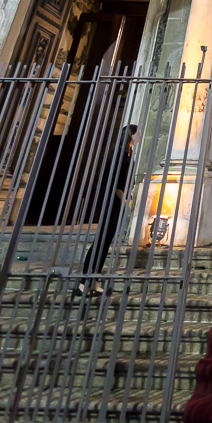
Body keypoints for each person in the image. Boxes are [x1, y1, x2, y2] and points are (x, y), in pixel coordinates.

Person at [76, 124, 137, 296]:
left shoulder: (129, 153)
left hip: (120, 200)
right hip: (111, 199)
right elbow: (111, 180)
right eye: (137, 133)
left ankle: (93, 281)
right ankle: (83, 282)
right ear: (130, 135)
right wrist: (123, 197)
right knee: (101, 240)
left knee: (106, 241)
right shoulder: (117, 154)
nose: (139, 136)